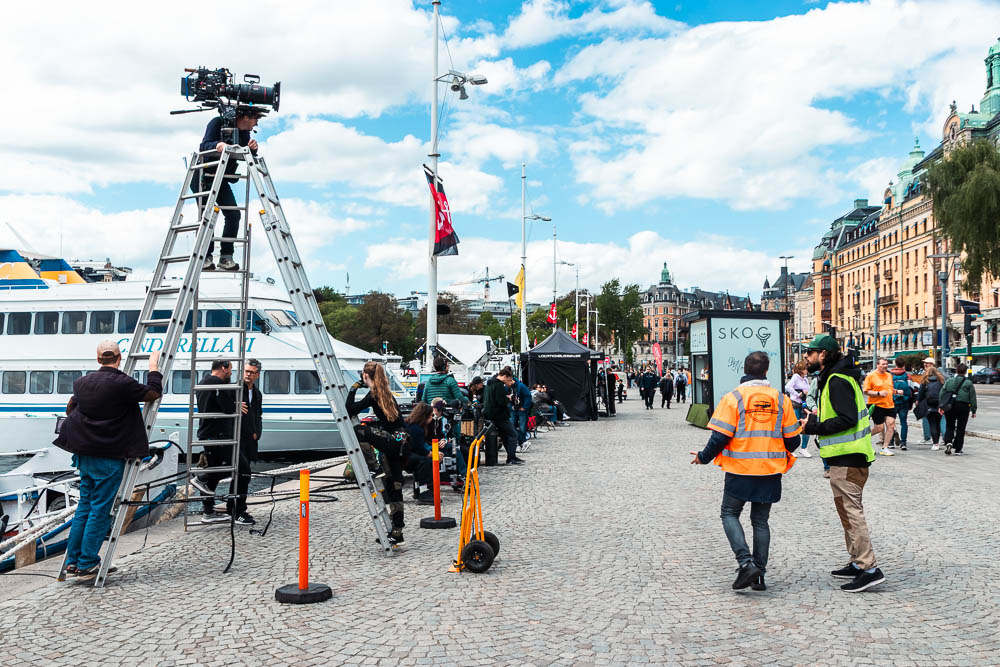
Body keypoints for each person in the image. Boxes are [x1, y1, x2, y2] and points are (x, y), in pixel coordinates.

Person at [689, 351, 801, 592]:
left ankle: (746, 563)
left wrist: (703, 457)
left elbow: (719, 436)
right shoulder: (781, 400)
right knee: (760, 521)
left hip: (740, 468)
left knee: (729, 513)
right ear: (766, 371)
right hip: (770, 470)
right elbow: (793, 443)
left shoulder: (734, 398)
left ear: (745, 369)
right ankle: (759, 575)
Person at [53, 343, 162, 578]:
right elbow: (153, 394)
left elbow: (72, 407)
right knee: (100, 510)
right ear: (120, 358)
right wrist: (154, 368)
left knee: (85, 507)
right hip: (109, 455)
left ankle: (72, 561)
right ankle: (87, 562)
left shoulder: (81, 383)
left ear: (98, 358)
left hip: (83, 453)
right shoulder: (122, 383)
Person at [801, 334, 886, 592]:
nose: (806, 356)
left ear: (823, 355)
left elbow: (847, 419)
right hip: (842, 457)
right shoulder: (835, 377)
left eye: (810, 352)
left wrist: (813, 426)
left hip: (849, 457)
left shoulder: (837, 380)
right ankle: (857, 562)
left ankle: (869, 568)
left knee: (852, 511)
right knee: (845, 510)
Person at [346, 361, 409, 547]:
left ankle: (374, 467)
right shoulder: (385, 392)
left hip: (394, 441)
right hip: (402, 441)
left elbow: (350, 409)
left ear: (366, 376)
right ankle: (397, 532)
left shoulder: (374, 394)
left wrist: (353, 387)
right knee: (395, 486)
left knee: (359, 430)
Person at [196, 107, 264, 271]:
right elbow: (204, 145)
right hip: (203, 176)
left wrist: (253, 149)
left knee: (233, 214)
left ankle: (226, 257)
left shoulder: (244, 134)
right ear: (246, 117)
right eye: (255, 119)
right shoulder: (217, 123)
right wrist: (217, 144)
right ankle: (206, 257)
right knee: (207, 214)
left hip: (222, 178)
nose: (256, 123)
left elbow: (246, 152)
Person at [190, 360, 249, 524]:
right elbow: (227, 408)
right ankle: (201, 478)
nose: (231, 373)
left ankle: (208, 511)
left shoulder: (203, 382)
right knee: (242, 469)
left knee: (215, 472)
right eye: (230, 369)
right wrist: (237, 405)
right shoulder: (218, 383)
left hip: (208, 433)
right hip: (218, 435)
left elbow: (214, 406)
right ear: (224, 368)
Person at [233, 359, 263, 524]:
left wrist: (257, 433)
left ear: (257, 375)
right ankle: (237, 509)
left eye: (251, 372)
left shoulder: (257, 394)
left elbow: (258, 414)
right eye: (246, 371)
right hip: (237, 439)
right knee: (242, 474)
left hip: (250, 440)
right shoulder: (236, 389)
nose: (248, 375)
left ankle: (236, 507)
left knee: (243, 475)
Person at [483, 367, 524, 465]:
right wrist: (508, 399)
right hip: (499, 415)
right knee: (513, 434)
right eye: (509, 380)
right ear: (504, 376)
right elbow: (501, 401)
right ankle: (511, 458)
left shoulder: (489, 384)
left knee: (506, 436)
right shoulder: (498, 385)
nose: (509, 382)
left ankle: (511, 456)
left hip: (491, 414)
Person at [861, 357, 900, 456]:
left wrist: (896, 391)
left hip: (889, 404)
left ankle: (885, 448)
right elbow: (865, 391)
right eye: (883, 364)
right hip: (876, 404)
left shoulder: (889, 375)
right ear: (877, 365)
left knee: (891, 425)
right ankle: (863, 438)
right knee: (879, 428)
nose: (885, 366)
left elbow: (889, 388)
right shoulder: (871, 376)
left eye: (886, 364)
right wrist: (878, 393)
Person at [941, 363, 977, 456]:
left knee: (950, 425)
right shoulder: (968, 382)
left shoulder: (949, 381)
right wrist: (973, 410)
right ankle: (958, 449)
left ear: (956, 371)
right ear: (965, 372)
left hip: (950, 406)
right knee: (961, 428)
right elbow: (972, 397)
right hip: (963, 406)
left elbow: (942, 393)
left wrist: (941, 406)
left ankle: (948, 441)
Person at [403, 402, 436, 504]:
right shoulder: (417, 428)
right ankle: (424, 493)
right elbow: (420, 450)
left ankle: (418, 491)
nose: (432, 418)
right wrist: (433, 454)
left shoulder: (410, 424)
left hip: (402, 455)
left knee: (421, 461)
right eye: (431, 416)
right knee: (425, 462)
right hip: (404, 457)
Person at [916, 359, 945, 450]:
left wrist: (918, 402)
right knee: (939, 422)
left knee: (932, 423)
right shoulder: (941, 380)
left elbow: (920, 394)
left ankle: (935, 444)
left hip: (929, 405)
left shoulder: (925, 381)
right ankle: (944, 439)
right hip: (939, 404)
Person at [784, 361, 812, 457]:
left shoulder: (805, 378)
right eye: (805, 368)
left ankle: (804, 448)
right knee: (794, 426)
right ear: (801, 370)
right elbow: (787, 387)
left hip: (804, 404)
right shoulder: (796, 377)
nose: (807, 370)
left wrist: (806, 392)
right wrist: (797, 394)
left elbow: (808, 388)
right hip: (796, 404)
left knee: (806, 426)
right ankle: (791, 449)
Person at [890, 359, 913, 451]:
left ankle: (890, 442)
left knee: (890, 423)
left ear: (895, 364)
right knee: (904, 422)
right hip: (904, 402)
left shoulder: (890, 375)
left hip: (892, 401)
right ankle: (903, 442)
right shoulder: (907, 376)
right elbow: (911, 389)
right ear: (904, 365)